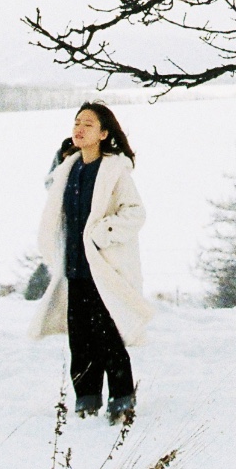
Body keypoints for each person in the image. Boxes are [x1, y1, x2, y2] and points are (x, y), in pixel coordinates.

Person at [28, 102, 153, 424]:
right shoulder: (69, 168)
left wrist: (102, 233)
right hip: (73, 268)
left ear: (104, 133)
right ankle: (86, 399)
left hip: (103, 269)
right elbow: (50, 189)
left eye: (88, 124)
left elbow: (135, 212)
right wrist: (58, 159)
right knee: (80, 340)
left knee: (108, 336)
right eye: (76, 123)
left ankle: (122, 399)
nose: (79, 128)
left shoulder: (113, 170)